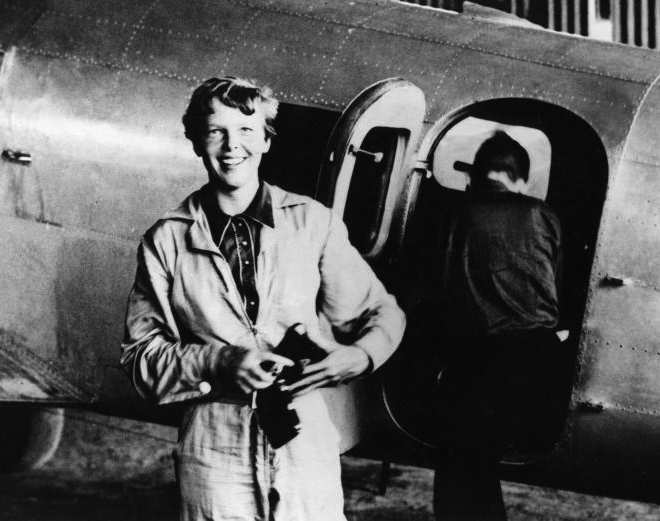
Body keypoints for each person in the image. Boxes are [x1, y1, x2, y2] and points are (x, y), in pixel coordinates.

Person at [120, 76, 405, 521]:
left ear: (267, 141)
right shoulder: (167, 240)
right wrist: (222, 361)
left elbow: (382, 312)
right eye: (216, 131)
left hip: (303, 433)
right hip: (214, 443)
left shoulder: (312, 223)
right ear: (197, 142)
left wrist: (362, 356)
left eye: (247, 130)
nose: (232, 145)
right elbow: (142, 361)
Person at [433, 131, 563, 521]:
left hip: (483, 360)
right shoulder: (545, 216)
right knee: (480, 468)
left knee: (461, 474)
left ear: (475, 176)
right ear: (520, 179)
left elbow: (443, 287)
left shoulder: (459, 214)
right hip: (540, 363)